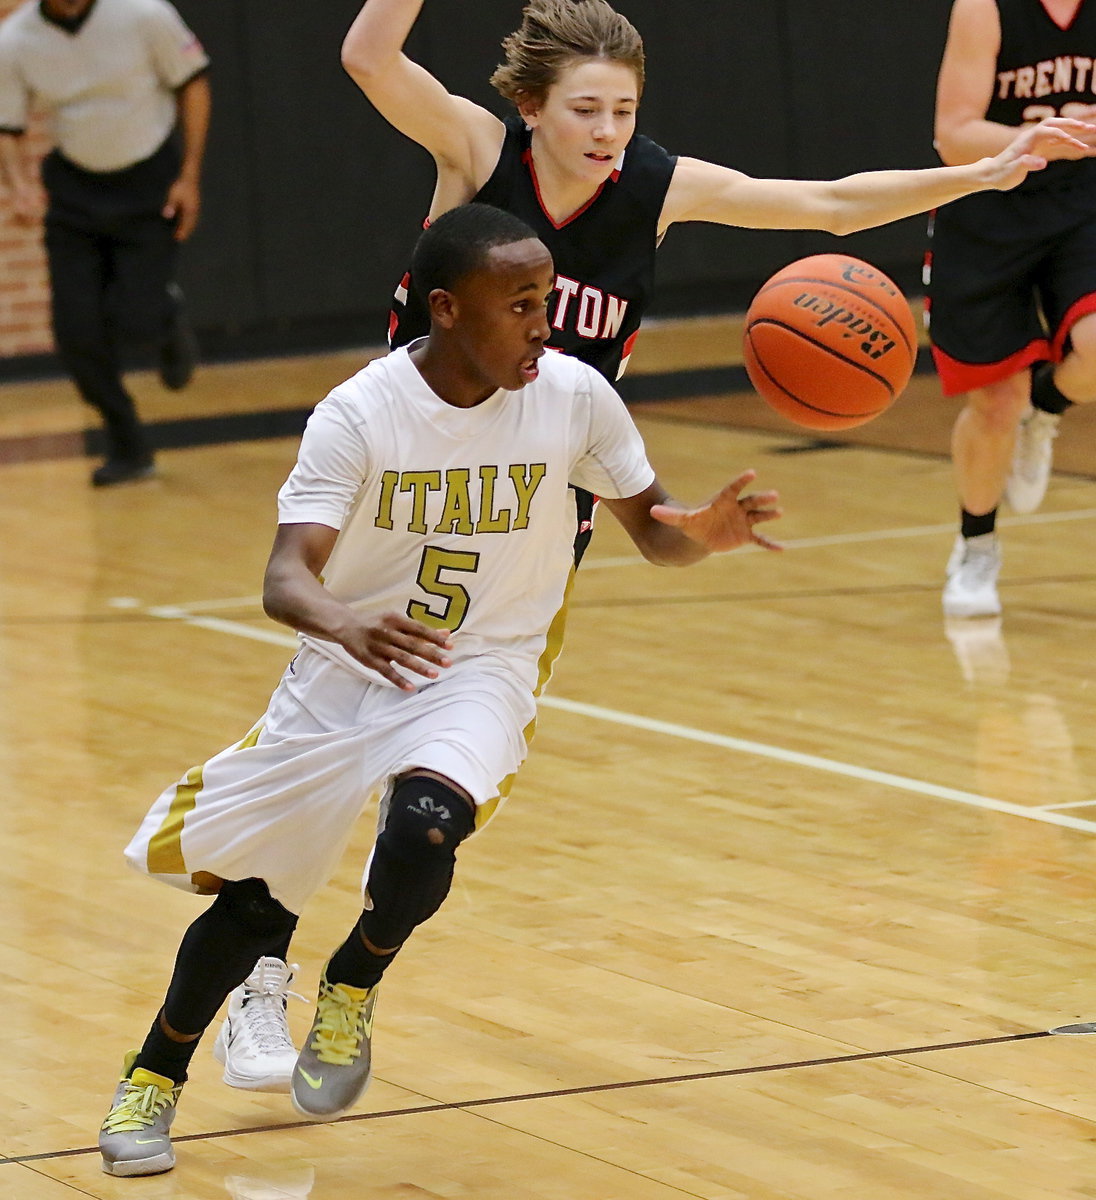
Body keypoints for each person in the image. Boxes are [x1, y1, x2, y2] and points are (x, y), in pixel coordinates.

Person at [211, 0, 1096, 1091]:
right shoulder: (477, 151)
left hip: (533, 523)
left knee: (429, 801)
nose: (607, 132)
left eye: (624, 110)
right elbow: (365, 56)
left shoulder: (654, 187)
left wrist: (981, 173)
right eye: (586, 108)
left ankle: (352, 981)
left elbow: (822, 202)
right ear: (532, 108)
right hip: (402, 494)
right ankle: (256, 977)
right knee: (321, 759)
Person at [97, 202, 784, 1176]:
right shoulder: (362, 412)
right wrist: (345, 624)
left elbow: (653, 527)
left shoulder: (576, 396)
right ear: (448, 310)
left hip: (484, 663)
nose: (545, 322)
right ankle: (155, 1073)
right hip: (348, 670)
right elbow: (286, 577)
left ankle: (352, 977)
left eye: (547, 299)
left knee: (424, 827)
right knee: (253, 908)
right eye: (520, 304)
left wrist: (701, 534)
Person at [928, 0, 1096, 617]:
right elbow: (954, 134)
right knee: (996, 399)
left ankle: (1047, 406)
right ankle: (977, 546)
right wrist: (1056, 138)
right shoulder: (985, 7)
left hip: (1082, 203)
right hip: (987, 205)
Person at [0, 0, 210, 486]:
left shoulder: (145, 15)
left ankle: (164, 313)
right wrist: (18, 185)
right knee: (76, 334)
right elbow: (8, 125)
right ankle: (128, 445)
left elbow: (193, 83)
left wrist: (190, 176)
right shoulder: (15, 40)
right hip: (74, 193)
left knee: (137, 319)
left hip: (148, 183)